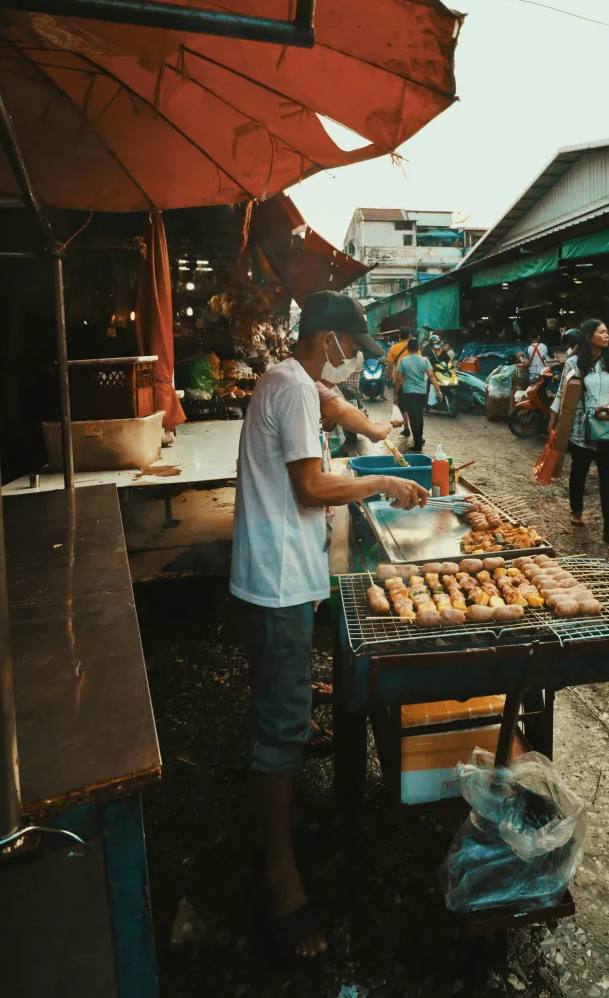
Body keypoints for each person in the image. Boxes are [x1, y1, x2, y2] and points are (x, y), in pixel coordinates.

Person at [230, 291, 428, 960]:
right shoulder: (288, 389)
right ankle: (279, 872)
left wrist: (381, 436)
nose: (353, 362)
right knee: (280, 723)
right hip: (275, 582)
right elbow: (310, 487)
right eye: (352, 349)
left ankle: (274, 815)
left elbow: (337, 405)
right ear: (330, 340)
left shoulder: (297, 380)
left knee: (282, 707)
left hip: (285, 574)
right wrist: (380, 485)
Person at [549, 318, 609, 547]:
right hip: (581, 429)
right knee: (579, 472)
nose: (606, 335)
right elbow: (562, 394)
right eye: (601, 332)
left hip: (607, 428)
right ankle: (576, 509)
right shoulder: (574, 363)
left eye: (606, 332)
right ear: (588, 337)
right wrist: (553, 426)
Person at [395, 336, 443, 450]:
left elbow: (398, 379)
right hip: (422, 392)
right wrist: (438, 390)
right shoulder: (425, 360)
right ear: (418, 348)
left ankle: (417, 442)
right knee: (419, 416)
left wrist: (395, 394)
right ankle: (419, 440)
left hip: (408, 393)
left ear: (408, 348)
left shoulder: (403, 361)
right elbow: (431, 376)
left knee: (412, 417)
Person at [386, 326, 412, 436]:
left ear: (399, 336)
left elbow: (390, 366)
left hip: (399, 381)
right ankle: (414, 430)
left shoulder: (394, 348)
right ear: (410, 336)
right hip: (413, 381)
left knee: (403, 406)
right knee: (413, 407)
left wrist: (389, 378)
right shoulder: (415, 348)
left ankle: (406, 428)